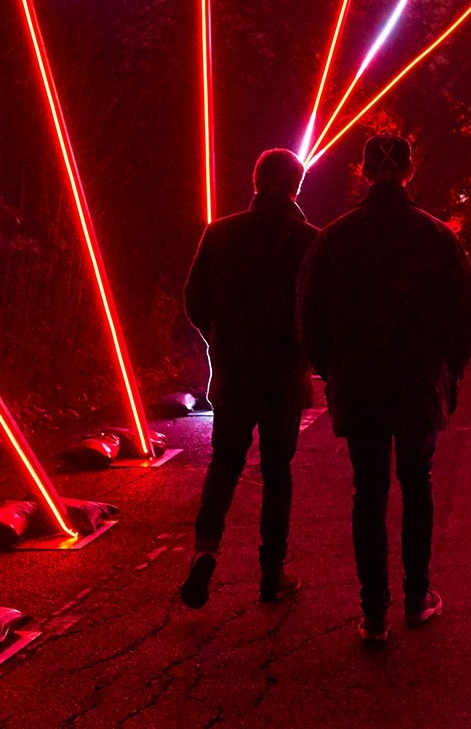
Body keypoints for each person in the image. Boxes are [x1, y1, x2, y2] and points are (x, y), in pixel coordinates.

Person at [298, 134, 471, 643]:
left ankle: (373, 609)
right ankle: (416, 595)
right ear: (408, 171)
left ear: (363, 172)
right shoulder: (436, 237)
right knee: (417, 484)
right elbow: (467, 313)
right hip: (419, 381)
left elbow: (309, 313)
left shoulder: (335, 238)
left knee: (369, 491)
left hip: (359, 381)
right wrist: (452, 370)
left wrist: (330, 368)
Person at [180, 148, 318, 608]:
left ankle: (206, 548)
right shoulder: (308, 240)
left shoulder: (220, 234)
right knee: (278, 473)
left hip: (235, 371)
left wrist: (217, 338)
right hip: (283, 373)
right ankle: (271, 573)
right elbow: (319, 307)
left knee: (225, 462)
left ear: (256, 181)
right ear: (296, 187)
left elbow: (194, 298)